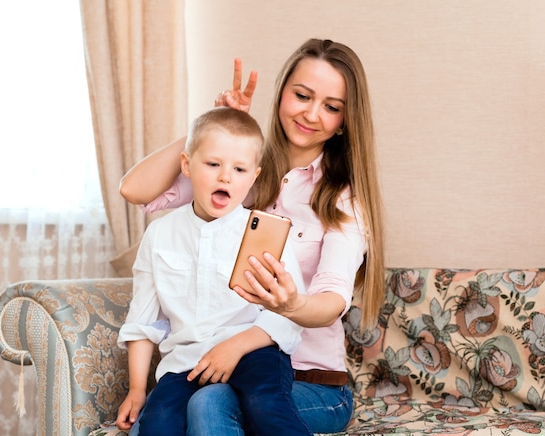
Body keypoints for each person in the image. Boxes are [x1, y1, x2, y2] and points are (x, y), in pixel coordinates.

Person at [119, 38, 385, 434]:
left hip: (311, 382)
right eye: (302, 95)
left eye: (331, 107)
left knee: (211, 401)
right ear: (282, 94)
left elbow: (331, 301)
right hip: (214, 364)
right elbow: (134, 189)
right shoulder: (234, 172)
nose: (311, 114)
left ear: (345, 120)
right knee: (193, 401)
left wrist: (290, 304)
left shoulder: (342, 200)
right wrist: (211, 124)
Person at [115, 106, 312, 436]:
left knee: (264, 404)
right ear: (186, 165)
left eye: (239, 169)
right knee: (157, 425)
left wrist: (237, 346)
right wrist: (137, 390)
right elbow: (142, 321)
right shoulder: (160, 235)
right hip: (185, 364)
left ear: (254, 176)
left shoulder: (266, 234)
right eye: (213, 164)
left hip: (253, 351)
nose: (225, 177)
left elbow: (288, 313)